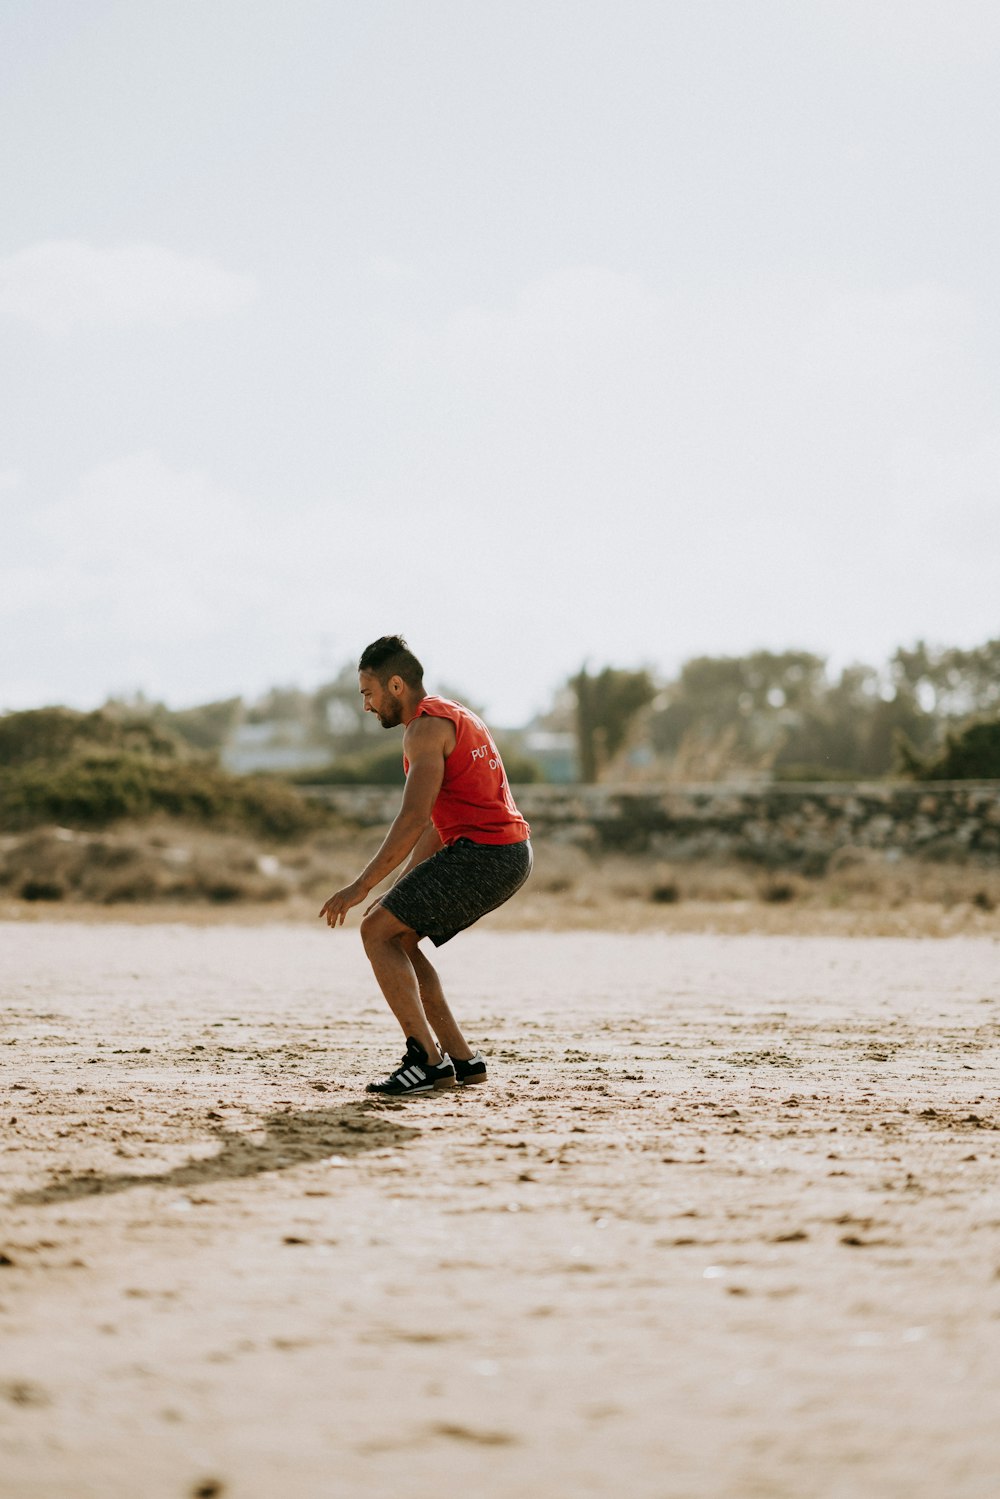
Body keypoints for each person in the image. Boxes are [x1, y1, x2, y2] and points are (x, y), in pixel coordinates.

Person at [319, 635, 532, 1096]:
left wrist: (358, 888)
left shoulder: (423, 730)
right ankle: (461, 1059)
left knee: (375, 932)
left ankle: (426, 1061)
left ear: (396, 685)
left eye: (368, 693)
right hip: (505, 853)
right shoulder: (450, 713)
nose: (367, 705)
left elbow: (413, 818)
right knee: (397, 934)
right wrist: (398, 887)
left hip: (486, 854)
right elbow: (438, 823)